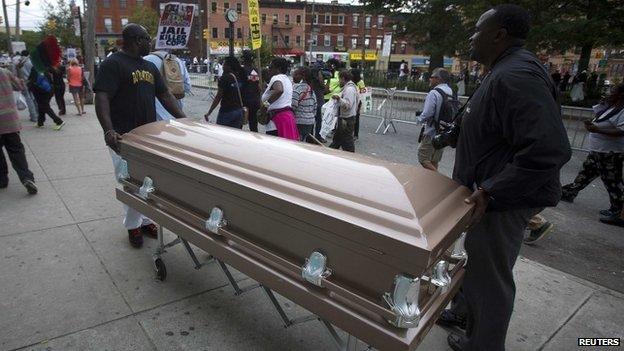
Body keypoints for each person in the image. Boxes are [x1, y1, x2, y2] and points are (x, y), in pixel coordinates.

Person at [441, 5, 571, 351]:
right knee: (477, 260)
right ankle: (464, 312)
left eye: (478, 29)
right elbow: (495, 126)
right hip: (487, 194)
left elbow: (549, 149)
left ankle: (483, 344)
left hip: (501, 200)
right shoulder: (501, 70)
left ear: (499, 35)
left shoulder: (516, 75)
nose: (472, 36)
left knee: (490, 276)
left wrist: (490, 190)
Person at [93, 23, 187, 249]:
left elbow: (165, 96)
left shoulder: (149, 67)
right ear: (136, 40)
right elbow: (102, 98)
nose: (150, 43)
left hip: (148, 135)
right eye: (147, 38)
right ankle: (132, 226)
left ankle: (145, 220)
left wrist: (184, 120)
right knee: (128, 180)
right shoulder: (112, 64)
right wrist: (108, 129)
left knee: (146, 181)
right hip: (122, 136)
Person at [561, 83, 624, 218]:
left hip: (610, 153)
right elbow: (600, 118)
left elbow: (621, 131)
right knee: (586, 173)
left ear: (621, 95)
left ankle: (619, 211)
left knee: (613, 182)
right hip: (598, 151)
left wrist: (597, 129)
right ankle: (569, 193)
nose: (609, 93)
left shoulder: (622, 110)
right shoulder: (611, 107)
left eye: (613, 91)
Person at [0, 67, 37, 194]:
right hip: (9, 119)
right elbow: (20, 86)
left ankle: (2, 179)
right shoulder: (5, 72)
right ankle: (26, 177)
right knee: (16, 151)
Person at [417, 67, 454, 171]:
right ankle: (431, 183)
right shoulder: (450, 92)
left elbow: (428, 113)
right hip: (443, 131)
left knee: (423, 158)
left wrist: (419, 119)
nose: (430, 79)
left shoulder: (434, 93)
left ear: (438, 79)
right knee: (434, 160)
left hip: (431, 131)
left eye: (431, 77)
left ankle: (438, 179)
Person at [144, 44, 192, 121]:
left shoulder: (145, 60)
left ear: (152, 47)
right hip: (176, 114)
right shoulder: (177, 61)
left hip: (154, 115)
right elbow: (187, 86)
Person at [260, 57, 299, 140]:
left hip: (276, 121)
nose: (269, 70)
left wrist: (265, 105)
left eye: (270, 67)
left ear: (278, 69)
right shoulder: (287, 80)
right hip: (287, 118)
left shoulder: (276, 78)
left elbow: (279, 90)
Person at [204, 56, 246, 129]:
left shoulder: (224, 78)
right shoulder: (240, 76)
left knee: (221, 134)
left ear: (229, 66)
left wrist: (209, 112)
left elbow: (218, 97)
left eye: (224, 64)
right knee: (235, 135)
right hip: (238, 111)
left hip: (227, 111)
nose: (223, 66)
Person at [329, 70, 359, 152]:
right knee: (338, 140)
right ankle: (330, 154)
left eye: (339, 79)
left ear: (343, 78)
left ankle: (351, 158)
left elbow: (348, 105)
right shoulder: (348, 88)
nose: (339, 81)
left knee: (347, 142)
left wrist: (339, 99)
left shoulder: (349, 89)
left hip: (347, 119)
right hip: (345, 118)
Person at [28, 66, 65, 130]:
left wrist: (29, 85)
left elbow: (32, 79)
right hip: (48, 89)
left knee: (45, 106)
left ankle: (58, 121)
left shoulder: (35, 68)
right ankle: (40, 122)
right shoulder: (45, 67)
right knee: (41, 105)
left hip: (39, 90)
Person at [291, 66, 317, 141]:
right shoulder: (311, 89)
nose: (293, 76)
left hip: (299, 121)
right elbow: (315, 107)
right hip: (310, 122)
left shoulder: (297, 88)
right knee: (303, 141)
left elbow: (293, 106)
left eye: (296, 74)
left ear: (302, 76)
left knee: (297, 142)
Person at [240, 50, 261, 132]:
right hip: (255, 101)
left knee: (239, 124)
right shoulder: (256, 70)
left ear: (243, 59)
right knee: (253, 125)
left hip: (244, 101)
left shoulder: (241, 70)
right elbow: (259, 85)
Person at [15, 50, 38, 122]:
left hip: (24, 82)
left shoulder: (19, 62)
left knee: (29, 99)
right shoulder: (31, 62)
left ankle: (33, 116)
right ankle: (37, 114)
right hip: (32, 82)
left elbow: (16, 74)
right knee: (34, 98)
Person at [351, 68, 365, 140]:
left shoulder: (360, 82)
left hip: (358, 101)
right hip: (351, 101)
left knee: (356, 118)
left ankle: (355, 134)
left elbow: (363, 92)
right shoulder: (350, 81)